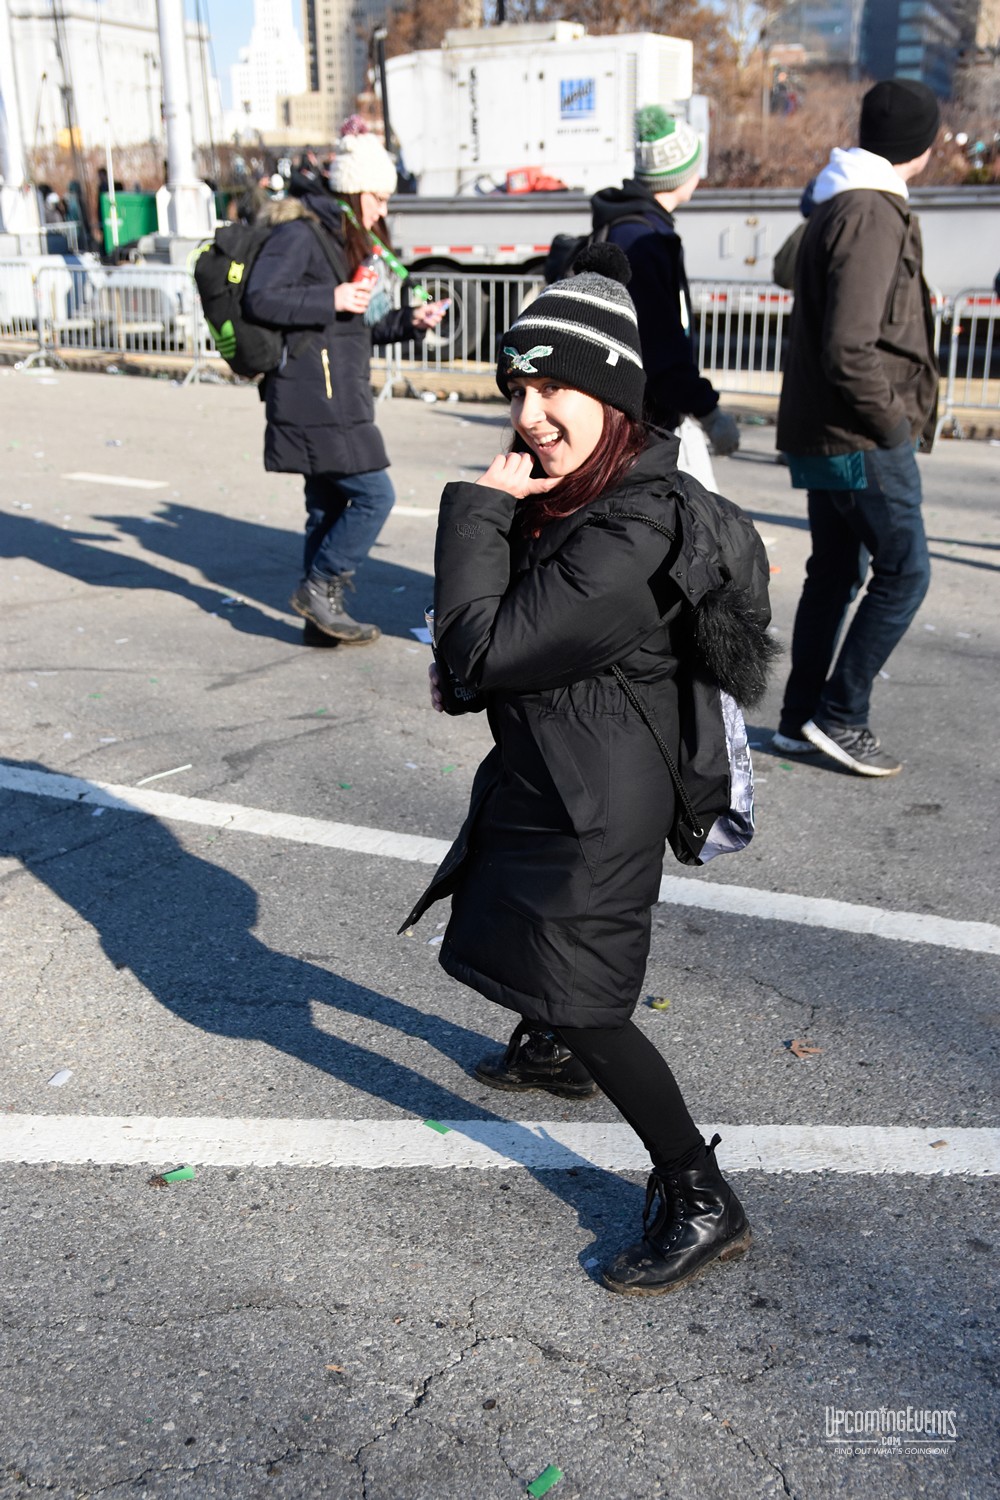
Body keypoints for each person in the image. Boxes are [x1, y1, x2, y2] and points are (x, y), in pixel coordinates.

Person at [401, 245, 774, 1295]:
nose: (530, 414)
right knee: (535, 945)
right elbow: (502, 651)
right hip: (561, 770)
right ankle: (549, 1040)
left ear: (614, 394)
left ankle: (700, 1194)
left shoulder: (634, 530)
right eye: (518, 388)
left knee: (594, 998)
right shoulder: (587, 490)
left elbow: (478, 651)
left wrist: (476, 509)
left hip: (595, 805)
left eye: (556, 386)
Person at [772, 79, 941, 775]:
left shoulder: (839, 201)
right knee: (905, 571)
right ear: (921, 146)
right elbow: (850, 345)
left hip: (826, 430)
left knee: (837, 571)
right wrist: (895, 426)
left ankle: (797, 720)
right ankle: (842, 714)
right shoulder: (872, 212)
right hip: (860, 434)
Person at [243, 128, 447, 645]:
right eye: (378, 197)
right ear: (355, 192)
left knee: (328, 506)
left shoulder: (339, 238)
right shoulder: (302, 234)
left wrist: (409, 320)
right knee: (375, 496)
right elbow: (260, 298)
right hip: (314, 394)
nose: (382, 210)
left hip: (336, 390)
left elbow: (358, 326)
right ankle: (320, 587)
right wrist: (331, 297)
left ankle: (321, 623)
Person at [589, 106, 741, 487]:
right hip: (644, 419)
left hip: (627, 410)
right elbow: (660, 342)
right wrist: (708, 411)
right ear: (680, 175)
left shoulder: (626, 225)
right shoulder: (646, 240)